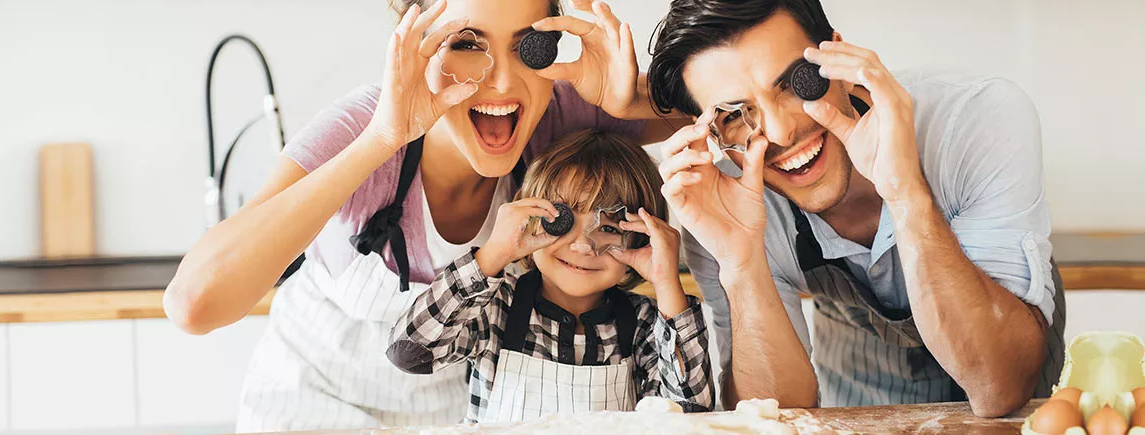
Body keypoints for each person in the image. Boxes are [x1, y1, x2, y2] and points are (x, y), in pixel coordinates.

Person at [163, 0, 677, 430]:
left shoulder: (556, 112)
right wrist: (381, 141)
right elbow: (194, 305)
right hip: (311, 404)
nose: (502, 81)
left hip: (457, 415)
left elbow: (728, 97)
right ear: (414, 46)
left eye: (528, 48)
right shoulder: (361, 128)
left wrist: (629, 99)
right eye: (467, 44)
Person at [645, 0, 1065, 417]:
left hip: (998, 316)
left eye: (795, 82)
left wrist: (906, 191)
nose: (780, 131)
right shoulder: (718, 201)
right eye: (735, 115)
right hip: (858, 344)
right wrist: (741, 262)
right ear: (709, 134)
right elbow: (770, 413)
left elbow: (999, 387)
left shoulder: (974, 120)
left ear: (840, 56)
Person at [387, 129, 713, 423]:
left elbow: (689, 416)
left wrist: (667, 283)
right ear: (532, 218)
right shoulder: (495, 307)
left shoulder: (645, 322)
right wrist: (493, 254)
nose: (583, 245)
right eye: (564, 220)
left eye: (610, 228)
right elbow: (410, 353)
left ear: (642, 238)